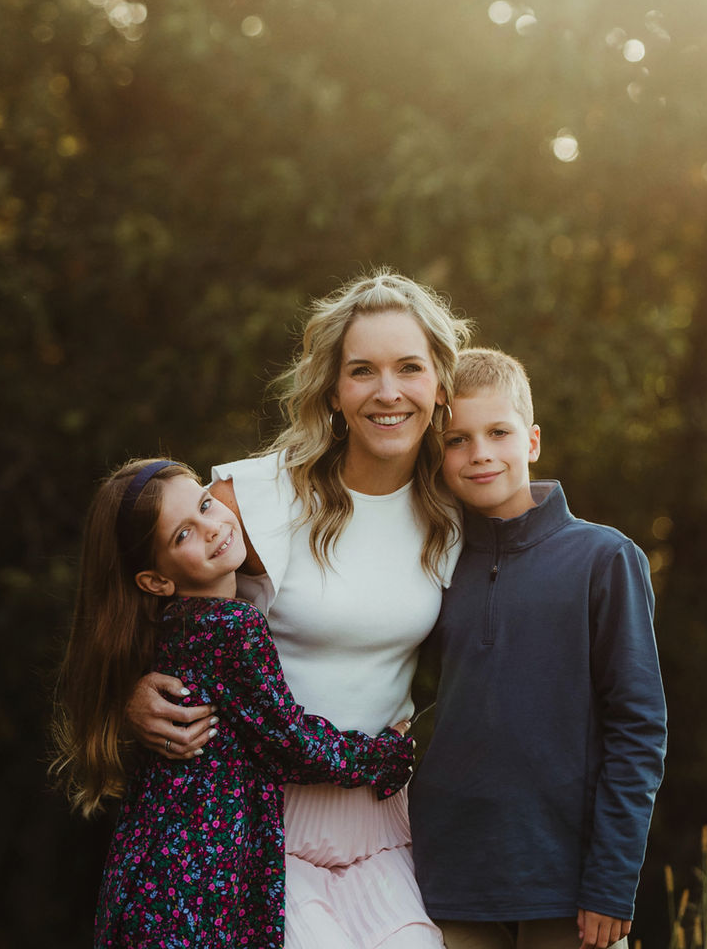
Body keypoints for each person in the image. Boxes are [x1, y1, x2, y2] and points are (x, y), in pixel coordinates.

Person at [126, 271, 471, 949]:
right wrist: (127, 695)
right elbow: (150, 589)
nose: (387, 391)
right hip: (260, 820)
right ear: (335, 392)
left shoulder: (454, 516)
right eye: (362, 371)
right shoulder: (255, 499)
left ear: (438, 383)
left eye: (409, 368)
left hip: (380, 818)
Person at [54, 457, 417, 949]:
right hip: (198, 883)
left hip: (151, 870)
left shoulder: (174, 629)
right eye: (183, 535)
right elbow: (290, 742)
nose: (212, 527)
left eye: (206, 505)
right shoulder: (232, 628)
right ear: (155, 581)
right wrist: (385, 758)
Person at [414, 348, 667, 949]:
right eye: (457, 440)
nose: (479, 453)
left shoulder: (605, 559)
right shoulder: (431, 562)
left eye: (497, 432)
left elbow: (638, 728)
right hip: (447, 878)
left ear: (530, 441)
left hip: (566, 880)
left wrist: (611, 880)